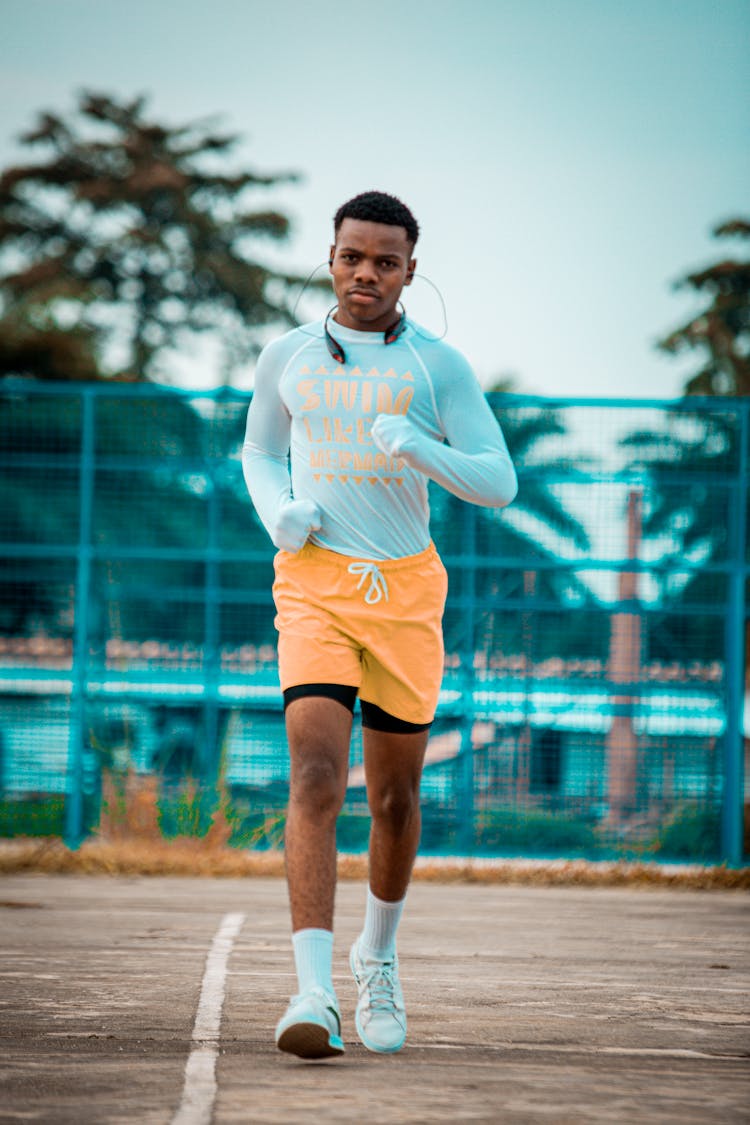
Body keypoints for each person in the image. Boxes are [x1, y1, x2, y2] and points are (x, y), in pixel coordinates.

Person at [242, 190, 517, 1059]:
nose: (366, 273)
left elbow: (498, 480)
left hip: (405, 595)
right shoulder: (287, 352)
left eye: (385, 261)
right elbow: (257, 447)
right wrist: (277, 508)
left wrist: (422, 448)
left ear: (409, 270)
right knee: (318, 775)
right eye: (352, 256)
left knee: (395, 798)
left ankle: (378, 958)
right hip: (315, 586)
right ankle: (313, 991)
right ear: (330, 256)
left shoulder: (439, 368)